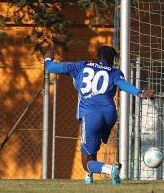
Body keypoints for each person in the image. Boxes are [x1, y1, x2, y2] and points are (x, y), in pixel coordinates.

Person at [44, 46, 153, 184]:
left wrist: (48, 58)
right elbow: (123, 84)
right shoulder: (115, 72)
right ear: (113, 60)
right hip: (110, 114)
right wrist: (140, 93)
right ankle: (89, 177)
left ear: (97, 56)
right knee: (93, 144)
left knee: (86, 160)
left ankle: (110, 169)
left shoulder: (81, 66)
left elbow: (51, 68)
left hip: (91, 115)